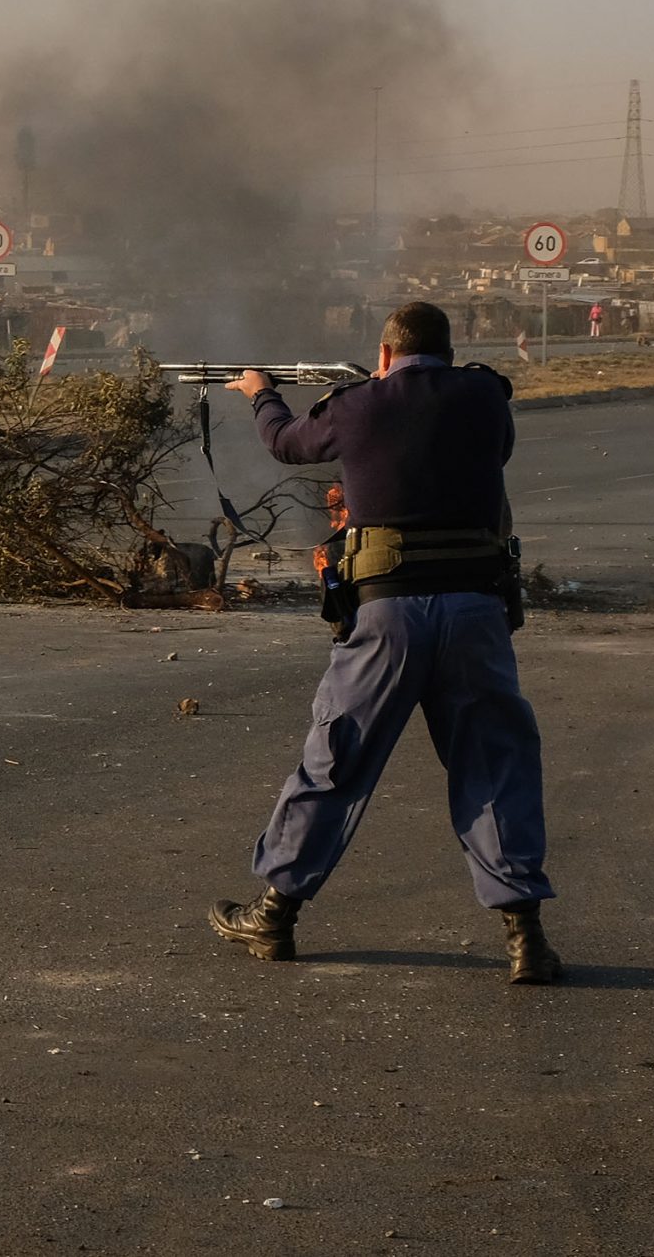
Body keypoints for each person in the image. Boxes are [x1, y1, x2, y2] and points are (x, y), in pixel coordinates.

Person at [208, 301, 561, 984]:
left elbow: (286, 442)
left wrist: (262, 393)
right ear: (449, 350)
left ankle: (275, 913)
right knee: (495, 764)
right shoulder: (486, 396)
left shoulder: (358, 403)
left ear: (384, 352)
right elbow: (494, 447)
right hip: (475, 608)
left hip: (388, 614)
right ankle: (525, 938)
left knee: (335, 758)